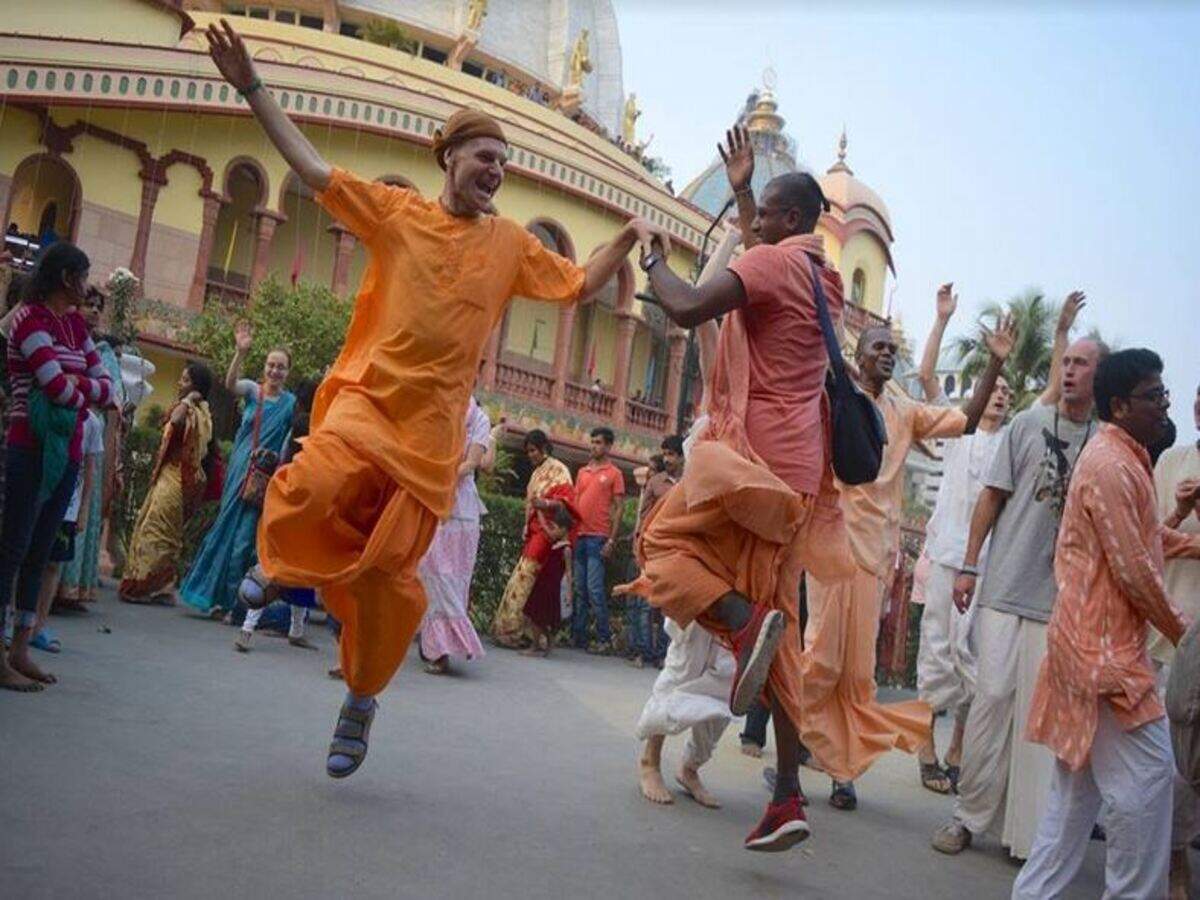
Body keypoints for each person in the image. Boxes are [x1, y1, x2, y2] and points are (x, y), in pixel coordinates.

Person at [206, 17, 669, 780]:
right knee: (313, 483)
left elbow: (580, 282)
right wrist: (252, 86)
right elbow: (314, 169)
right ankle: (281, 562)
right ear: (449, 155)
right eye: (485, 158)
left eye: (503, 164)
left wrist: (625, 235)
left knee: (388, 579)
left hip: (429, 438)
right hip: (366, 404)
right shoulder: (397, 214)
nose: (495, 172)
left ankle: (360, 697)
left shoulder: (512, 244)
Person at [623, 124, 866, 850]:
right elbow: (759, 250)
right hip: (796, 483)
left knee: (659, 546)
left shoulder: (775, 267)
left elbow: (691, 305)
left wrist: (653, 263)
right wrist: (739, 189)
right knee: (776, 642)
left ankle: (735, 616)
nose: (753, 224)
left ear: (787, 220)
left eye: (762, 215)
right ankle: (788, 794)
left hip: (749, 466)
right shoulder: (821, 277)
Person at [804, 306, 1014, 812]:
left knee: (858, 674)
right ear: (858, 355)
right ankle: (795, 766)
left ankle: (842, 772)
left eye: (892, 349)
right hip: (829, 545)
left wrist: (993, 364)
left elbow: (964, 421)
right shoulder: (834, 396)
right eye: (878, 346)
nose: (887, 353)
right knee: (818, 662)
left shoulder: (902, 409)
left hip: (873, 556)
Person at [1013, 349, 1199, 899]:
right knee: (1147, 788)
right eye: (1153, 396)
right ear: (1119, 405)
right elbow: (1134, 568)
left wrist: (1190, 541)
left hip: (1090, 652)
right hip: (1104, 660)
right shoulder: (1112, 465)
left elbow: (1144, 540)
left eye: (1165, 394)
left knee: (1072, 810)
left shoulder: (1125, 458)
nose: (1164, 405)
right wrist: (1181, 629)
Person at [932, 336, 1105, 859]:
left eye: (1081, 364)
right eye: (1066, 362)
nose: (1070, 371)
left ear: (1100, 377)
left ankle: (1027, 838)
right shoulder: (1028, 425)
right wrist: (967, 566)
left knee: (1039, 720)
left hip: (1062, 604)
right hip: (1005, 590)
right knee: (991, 703)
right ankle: (967, 817)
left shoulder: (1104, 443)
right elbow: (991, 497)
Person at [633, 225, 741, 810]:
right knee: (686, 658)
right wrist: (730, 237)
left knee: (732, 672)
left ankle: (693, 766)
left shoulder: (781, 385)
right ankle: (648, 758)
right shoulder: (723, 374)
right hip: (699, 549)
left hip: (746, 551)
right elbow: (699, 303)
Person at [911, 282, 1031, 793]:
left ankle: (959, 748)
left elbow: (1050, 399)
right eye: (994, 391)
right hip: (945, 556)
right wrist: (941, 320)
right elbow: (924, 377)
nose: (1000, 397)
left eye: (1006, 394)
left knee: (974, 654)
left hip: (985, 564)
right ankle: (925, 748)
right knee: (936, 646)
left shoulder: (1012, 442)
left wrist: (1064, 332)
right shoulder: (957, 428)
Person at [1, 242, 114, 691]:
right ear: (67, 278)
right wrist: (83, 387)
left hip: (63, 453)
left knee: (41, 550)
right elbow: (54, 387)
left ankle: (20, 649)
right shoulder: (29, 320)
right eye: (83, 277)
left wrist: (78, 385)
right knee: (12, 549)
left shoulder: (73, 327)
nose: (87, 287)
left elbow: (105, 392)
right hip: (28, 447)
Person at [180, 322, 295, 618]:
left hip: (264, 477)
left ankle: (237, 606)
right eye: (271, 365)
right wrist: (240, 352)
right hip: (241, 470)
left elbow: (292, 436)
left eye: (281, 367)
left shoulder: (290, 402)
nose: (274, 371)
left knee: (245, 540)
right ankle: (217, 599)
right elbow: (231, 385)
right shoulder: (254, 391)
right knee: (226, 531)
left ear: (288, 372)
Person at [1153, 380, 1200, 896]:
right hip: (1169, 630)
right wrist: (1183, 516)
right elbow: (1148, 540)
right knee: (1170, 759)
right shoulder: (1170, 463)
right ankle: (1172, 857)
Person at [119, 362, 214, 604]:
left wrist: (188, 399)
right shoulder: (199, 409)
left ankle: (144, 586)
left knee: (157, 531)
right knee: (161, 531)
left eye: (184, 380)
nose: (179, 383)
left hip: (176, 480)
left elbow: (177, 419)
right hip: (171, 478)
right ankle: (162, 587)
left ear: (195, 386)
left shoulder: (195, 410)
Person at [56, 286, 124, 611]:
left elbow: (112, 399)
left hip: (91, 435)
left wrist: (113, 459)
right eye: (89, 304)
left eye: (99, 306)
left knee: (81, 507)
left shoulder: (101, 352)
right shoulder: (61, 337)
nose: (94, 311)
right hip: (61, 427)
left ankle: (70, 587)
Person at [416, 395, 492, 674]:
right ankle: (435, 645)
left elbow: (472, 462)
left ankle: (442, 649)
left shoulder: (480, 418)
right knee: (429, 573)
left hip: (460, 507)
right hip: (432, 500)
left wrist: (439, 477)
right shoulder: (438, 408)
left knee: (452, 580)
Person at [491, 430, 575, 648]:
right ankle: (514, 631)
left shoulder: (559, 470)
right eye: (528, 451)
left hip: (548, 533)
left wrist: (545, 505)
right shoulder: (537, 472)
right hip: (533, 532)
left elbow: (566, 503)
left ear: (543, 448)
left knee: (528, 578)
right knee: (523, 577)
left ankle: (522, 633)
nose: (530, 455)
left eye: (533, 450)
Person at [31, 407, 103, 657]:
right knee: (26, 560)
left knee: (53, 565)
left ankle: (38, 625)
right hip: (40, 494)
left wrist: (83, 508)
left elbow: (90, 468)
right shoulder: (49, 409)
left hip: (68, 506)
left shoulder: (92, 422)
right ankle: (13, 621)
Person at [626, 436, 683, 668]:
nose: (667, 459)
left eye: (671, 454)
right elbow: (644, 515)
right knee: (644, 601)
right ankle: (641, 652)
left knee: (669, 606)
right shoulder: (656, 482)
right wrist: (638, 544)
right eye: (665, 454)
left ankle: (662, 655)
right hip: (653, 549)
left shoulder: (690, 483)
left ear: (681, 456)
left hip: (678, 552)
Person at [570, 426, 625, 653]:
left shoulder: (614, 473)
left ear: (609, 446)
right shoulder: (582, 472)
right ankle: (579, 637)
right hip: (580, 536)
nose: (594, 446)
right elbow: (574, 502)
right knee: (580, 589)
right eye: (592, 442)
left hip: (599, 537)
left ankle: (604, 638)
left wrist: (611, 540)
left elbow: (620, 508)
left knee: (594, 589)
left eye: (599, 442)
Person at [520, 501, 578, 657]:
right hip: (544, 581)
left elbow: (568, 571)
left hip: (551, 585)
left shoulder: (566, 549)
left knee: (538, 615)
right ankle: (546, 639)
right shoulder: (556, 543)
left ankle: (536, 645)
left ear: (564, 529)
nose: (554, 530)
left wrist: (569, 592)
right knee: (535, 614)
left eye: (556, 528)